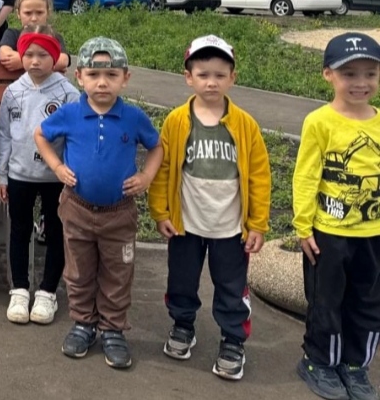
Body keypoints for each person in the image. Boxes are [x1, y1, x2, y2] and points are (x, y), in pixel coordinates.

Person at [34, 37, 162, 370]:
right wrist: (57, 167)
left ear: (125, 78)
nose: (102, 83)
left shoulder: (133, 117)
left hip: (119, 214)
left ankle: (112, 328)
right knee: (78, 271)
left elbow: (156, 146)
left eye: (111, 75)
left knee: (117, 272)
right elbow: (41, 135)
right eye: (93, 75)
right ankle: (83, 323)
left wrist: (147, 176)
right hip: (76, 209)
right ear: (79, 77)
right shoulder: (70, 114)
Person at [149, 35, 270, 381]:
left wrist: (258, 223)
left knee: (231, 287)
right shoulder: (176, 120)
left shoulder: (245, 125)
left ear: (233, 78)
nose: (211, 82)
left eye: (219, 75)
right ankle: (182, 325)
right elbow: (163, 168)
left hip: (230, 228)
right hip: (186, 223)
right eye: (203, 75)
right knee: (182, 281)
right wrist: (160, 212)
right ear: (188, 77)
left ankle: (233, 339)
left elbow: (259, 175)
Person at [292, 32, 380, 400]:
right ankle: (319, 362)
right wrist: (303, 226)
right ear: (328, 74)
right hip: (328, 233)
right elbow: (306, 175)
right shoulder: (319, 121)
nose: (361, 83)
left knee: (369, 302)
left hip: (373, 234)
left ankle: (355, 365)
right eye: (349, 74)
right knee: (325, 301)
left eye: (370, 74)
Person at [0, 26, 80, 327]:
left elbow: (76, 137)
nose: (34, 61)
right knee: (19, 231)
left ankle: (47, 292)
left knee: (56, 232)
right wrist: (2, 174)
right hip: (20, 174)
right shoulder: (13, 92)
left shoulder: (68, 93)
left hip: (55, 177)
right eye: (29, 54)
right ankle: (19, 289)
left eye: (42, 55)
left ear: (55, 57)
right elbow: (4, 134)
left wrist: (70, 171)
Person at [0, 0, 71, 73]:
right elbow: (5, 54)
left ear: (48, 12)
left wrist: (21, 61)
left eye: (39, 12)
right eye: (28, 13)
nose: (34, 18)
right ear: (18, 13)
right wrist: (52, 63)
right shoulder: (12, 34)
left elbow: (63, 60)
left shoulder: (54, 37)